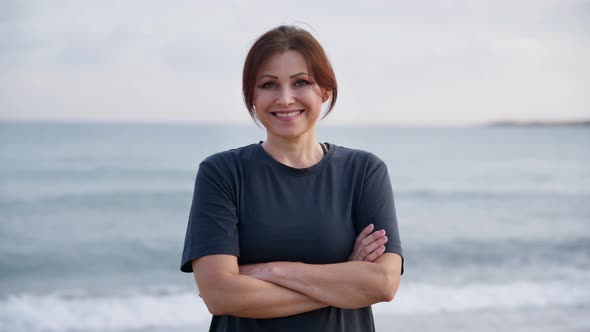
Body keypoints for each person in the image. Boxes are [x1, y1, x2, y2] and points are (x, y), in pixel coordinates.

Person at [181, 25, 404, 331]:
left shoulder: (364, 172)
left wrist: (274, 270)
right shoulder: (222, 173)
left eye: (301, 82)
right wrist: (347, 280)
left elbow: (383, 284)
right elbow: (220, 295)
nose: (285, 99)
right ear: (252, 95)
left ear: (324, 90)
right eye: (269, 85)